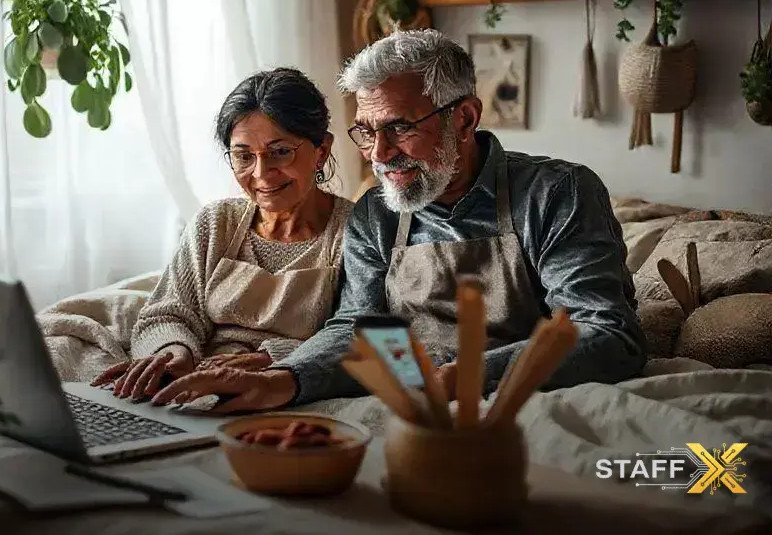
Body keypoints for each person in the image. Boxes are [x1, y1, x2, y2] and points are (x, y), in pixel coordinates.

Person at [151, 28, 648, 413]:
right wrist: (284, 380)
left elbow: (607, 334)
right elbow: (358, 329)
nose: (379, 155)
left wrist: (463, 377)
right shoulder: (375, 213)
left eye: (399, 128)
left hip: (523, 404)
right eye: (366, 132)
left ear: (465, 118)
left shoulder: (557, 193)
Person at [91, 67, 354, 402]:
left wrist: (271, 359)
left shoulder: (353, 231)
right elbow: (165, 313)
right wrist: (175, 353)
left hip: (286, 389)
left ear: (322, 150)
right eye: (243, 156)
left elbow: (354, 337)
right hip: (197, 378)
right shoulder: (216, 223)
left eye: (280, 152)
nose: (261, 174)